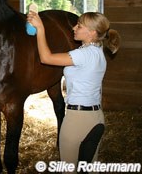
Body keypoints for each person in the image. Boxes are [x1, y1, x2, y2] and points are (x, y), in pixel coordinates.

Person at [27, 9, 120, 173]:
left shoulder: (83, 55)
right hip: (96, 117)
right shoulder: (97, 52)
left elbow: (46, 58)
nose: (73, 28)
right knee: (89, 169)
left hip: (77, 120)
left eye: (79, 26)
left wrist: (40, 29)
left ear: (91, 33)